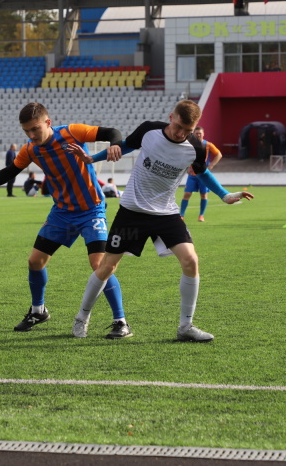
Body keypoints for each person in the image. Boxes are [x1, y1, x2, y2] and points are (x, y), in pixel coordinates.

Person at [69, 100, 253, 342]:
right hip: (132, 211)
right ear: (171, 116)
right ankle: (82, 318)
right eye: (178, 126)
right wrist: (92, 159)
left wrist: (225, 195)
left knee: (191, 261)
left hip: (166, 213)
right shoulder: (149, 131)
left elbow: (202, 172)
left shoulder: (195, 147)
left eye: (187, 130)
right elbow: (124, 146)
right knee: (107, 267)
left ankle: (185, 327)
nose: (181, 133)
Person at [0, 102, 128, 336]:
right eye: (26, 131)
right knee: (35, 261)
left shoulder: (72, 132)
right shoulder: (30, 149)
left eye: (35, 129)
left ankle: (120, 321)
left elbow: (112, 133)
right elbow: (11, 171)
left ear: (47, 123)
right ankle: (38, 310)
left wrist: (115, 145)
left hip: (92, 210)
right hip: (61, 213)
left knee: (100, 265)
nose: (31, 135)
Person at [179, 127, 222, 222]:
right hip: (192, 175)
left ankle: (201, 215)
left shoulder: (208, 145)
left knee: (203, 194)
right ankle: (181, 215)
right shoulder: (189, 144)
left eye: (200, 133)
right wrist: (187, 166)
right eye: (196, 133)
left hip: (203, 175)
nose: (198, 135)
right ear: (193, 134)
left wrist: (211, 166)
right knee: (187, 194)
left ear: (203, 134)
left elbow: (219, 154)